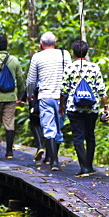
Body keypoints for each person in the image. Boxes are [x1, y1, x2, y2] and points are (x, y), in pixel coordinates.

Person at [60, 39, 109, 176]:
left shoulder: (69, 68)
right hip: (91, 107)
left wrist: (61, 105)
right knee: (90, 135)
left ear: (73, 53)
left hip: (74, 108)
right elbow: (101, 89)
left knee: (78, 136)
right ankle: (89, 165)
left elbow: (64, 89)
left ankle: (83, 167)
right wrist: (106, 107)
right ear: (87, 52)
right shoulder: (94, 67)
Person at [26, 32, 71, 170]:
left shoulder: (37, 57)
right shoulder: (65, 54)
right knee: (58, 127)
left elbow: (31, 80)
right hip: (61, 97)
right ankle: (53, 159)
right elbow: (70, 74)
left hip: (45, 96)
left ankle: (54, 162)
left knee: (49, 127)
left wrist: (29, 94)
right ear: (55, 42)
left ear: (41, 44)